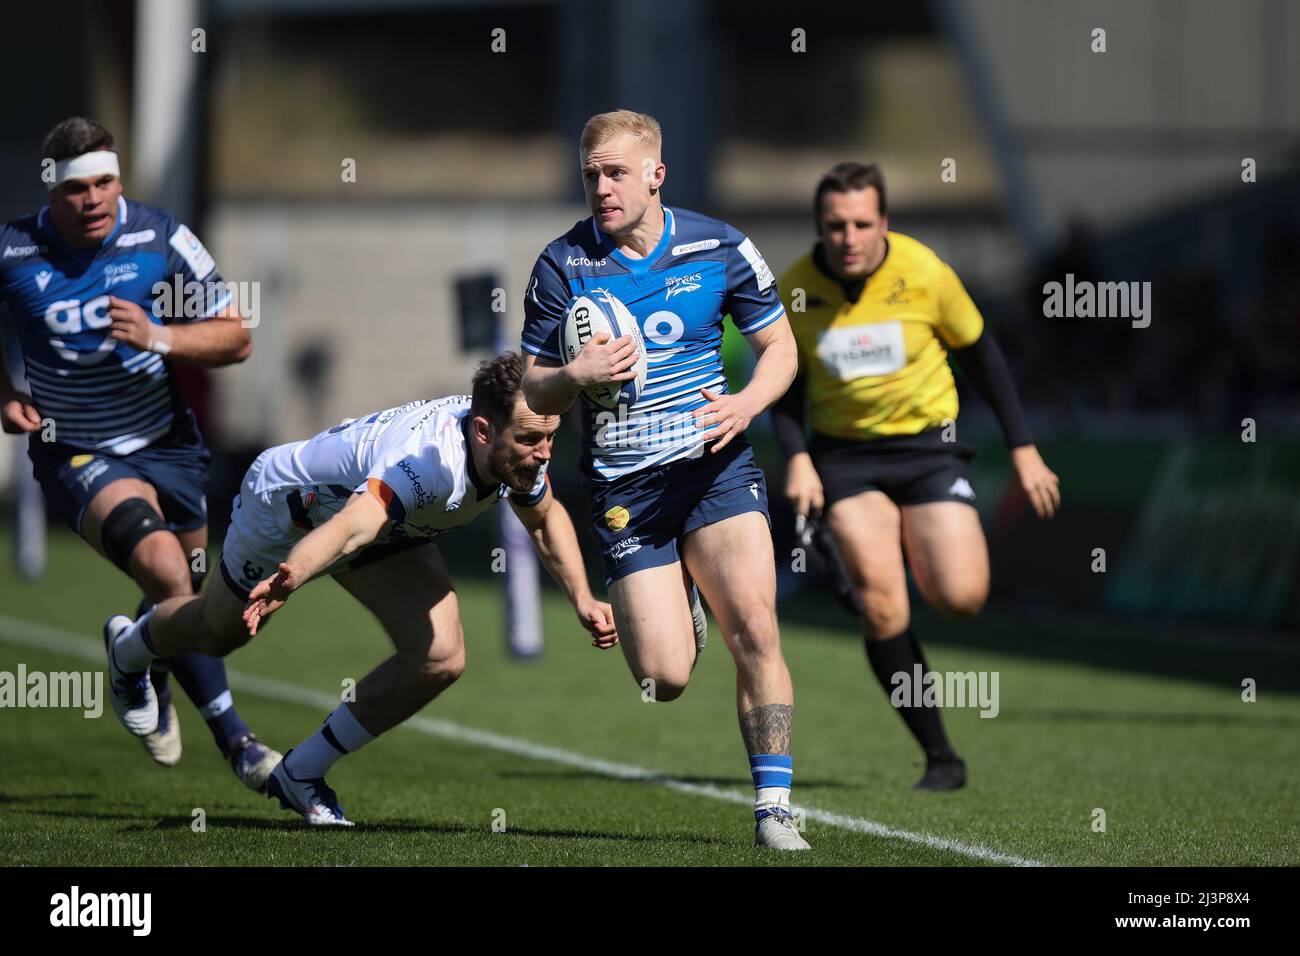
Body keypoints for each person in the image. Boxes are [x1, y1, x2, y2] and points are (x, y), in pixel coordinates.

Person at [102, 353, 618, 825]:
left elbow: (545, 518)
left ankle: (300, 774)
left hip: (382, 527)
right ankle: (131, 648)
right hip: (289, 514)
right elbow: (354, 526)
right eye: (531, 439)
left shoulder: (519, 445)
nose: (543, 452)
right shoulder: (424, 465)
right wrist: (294, 574)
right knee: (219, 634)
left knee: (440, 657)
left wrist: (581, 597)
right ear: (483, 430)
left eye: (550, 436)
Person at [519, 110, 808, 850]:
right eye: (590, 175)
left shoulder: (721, 246)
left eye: (616, 173)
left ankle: (774, 807)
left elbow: (781, 350)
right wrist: (575, 374)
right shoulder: (562, 264)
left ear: (656, 175)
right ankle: (679, 591)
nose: (601, 189)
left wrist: (746, 403)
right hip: (627, 494)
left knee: (757, 628)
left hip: (716, 471)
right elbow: (531, 388)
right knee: (664, 677)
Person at [0, 116, 279, 789]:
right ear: (52, 191)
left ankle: (135, 662)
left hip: (169, 446)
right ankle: (238, 742)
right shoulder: (14, 251)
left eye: (106, 182)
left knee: (202, 610)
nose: (95, 199)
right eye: (78, 189)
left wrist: (160, 336)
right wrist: (4, 393)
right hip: (76, 449)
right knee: (165, 574)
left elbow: (236, 337)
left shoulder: (160, 236)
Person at [773, 162, 1061, 790]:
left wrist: (1024, 448)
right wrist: (797, 456)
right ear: (819, 226)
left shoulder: (925, 272)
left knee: (961, 597)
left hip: (932, 450)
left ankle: (907, 551)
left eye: (861, 224)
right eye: (834, 225)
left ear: (884, 222)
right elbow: (784, 384)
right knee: (882, 605)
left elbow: (982, 354)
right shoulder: (793, 288)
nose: (847, 237)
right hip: (847, 460)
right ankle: (940, 756)